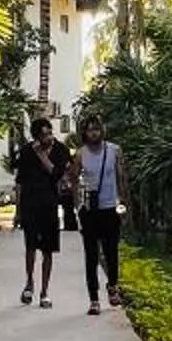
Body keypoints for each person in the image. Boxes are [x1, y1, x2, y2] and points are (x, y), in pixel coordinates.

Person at [10, 115, 66, 307]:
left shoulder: (59, 150)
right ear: (36, 137)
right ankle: (29, 284)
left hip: (49, 206)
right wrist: (17, 211)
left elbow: (56, 173)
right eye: (43, 134)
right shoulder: (26, 152)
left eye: (50, 132)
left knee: (48, 250)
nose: (48, 136)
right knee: (30, 247)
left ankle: (44, 292)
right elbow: (20, 183)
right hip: (30, 205)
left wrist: (43, 156)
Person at [74, 112, 126, 314]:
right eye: (89, 130)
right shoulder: (80, 154)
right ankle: (93, 299)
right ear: (84, 133)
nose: (93, 133)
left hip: (110, 209)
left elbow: (122, 179)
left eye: (96, 129)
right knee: (91, 256)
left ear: (102, 130)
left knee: (111, 252)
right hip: (90, 211)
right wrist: (78, 207)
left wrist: (123, 205)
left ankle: (112, 286)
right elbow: (73, 180)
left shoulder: (114, 151)